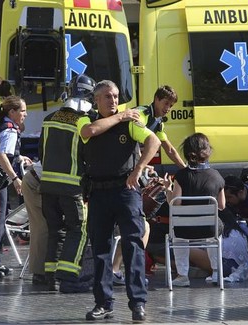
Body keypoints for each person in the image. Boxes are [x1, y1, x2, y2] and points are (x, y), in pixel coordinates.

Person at [78, 80, 161, 321]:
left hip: (125, 191)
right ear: (96, 100)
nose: (113, 101)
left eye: (115, 96)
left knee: (132, 245)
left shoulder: (130, 124)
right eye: (107, 97)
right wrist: (121, 116)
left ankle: (138, 303)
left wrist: (138, 170)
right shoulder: (86, 119)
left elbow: (153, 141)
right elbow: (89, 132)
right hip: (98, 192)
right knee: (101, 248)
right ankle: (103, 303)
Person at [38, 74, 96, 291]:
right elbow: (88, 158)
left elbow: (41, 153)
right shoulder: (84, 124)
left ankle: (51, 276)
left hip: (47, 185)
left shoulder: (49, 119)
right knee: (78, 229)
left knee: (56, 230)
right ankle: (69, 276)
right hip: (72, 188)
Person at [162, 132, 225, 287]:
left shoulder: (181, 176)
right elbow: (222, 205)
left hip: (185, 230)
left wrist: (167, 189)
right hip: (209, 229)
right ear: (208, 151)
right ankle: (217, 273)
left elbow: (175, 204)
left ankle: (182, 275)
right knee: (215, 236)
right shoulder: (217, 176)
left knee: (178, 238)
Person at [0, 95, 31, 279]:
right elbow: (1, 156)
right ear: (12, 112)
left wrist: (19, 158)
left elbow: (1, 151)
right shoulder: (10, 130)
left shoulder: (0, 125)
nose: (25, 114)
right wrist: (15, 179)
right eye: (22, 110)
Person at [140, 85, 186, 168]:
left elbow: (169, 150)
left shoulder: (158, 122)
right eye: (166, 103)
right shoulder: (142, 114)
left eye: (171, 106)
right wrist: (141, 166)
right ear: (157, 99)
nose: (168, 108)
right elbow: (132, 145)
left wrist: (185, 168)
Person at [21, 161, 48, 285]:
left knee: (43, 227)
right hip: (35, 183)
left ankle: (43, 271)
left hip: (38, 180)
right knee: (43, 228)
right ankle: (40, 273)